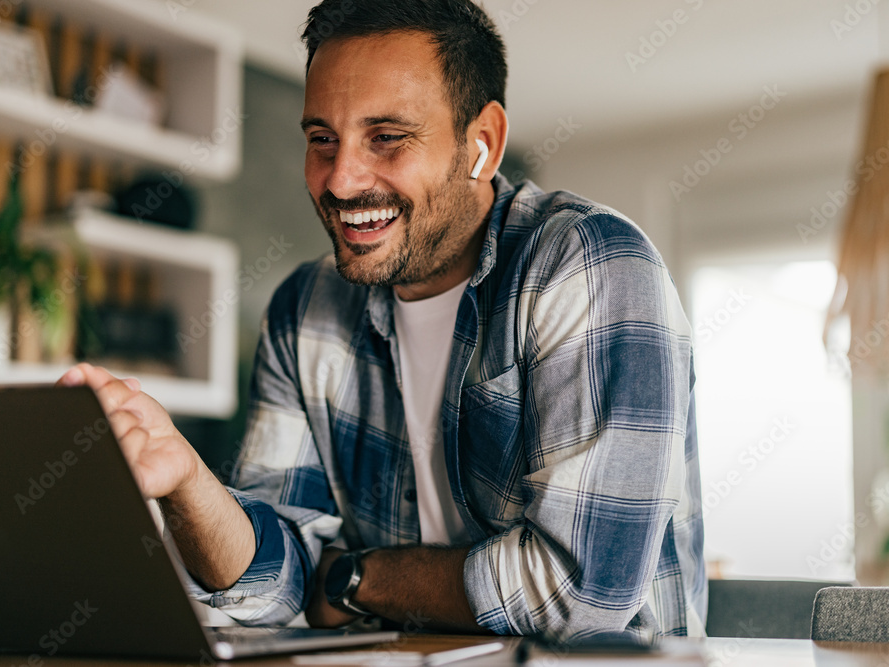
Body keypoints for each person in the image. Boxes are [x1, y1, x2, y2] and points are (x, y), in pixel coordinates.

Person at [58, 0, 706, 641]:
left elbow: (581, 592)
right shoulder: (303, 310)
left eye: (387, 138)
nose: (339, 179)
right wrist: (189, 482)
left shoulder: (586, 264)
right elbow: (279, 585)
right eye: (322, 140)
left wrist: (352, 576)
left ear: (482, 144)